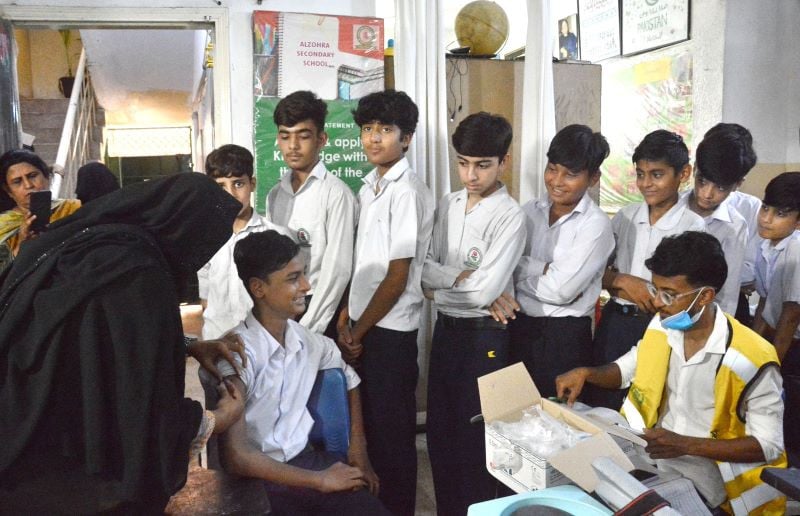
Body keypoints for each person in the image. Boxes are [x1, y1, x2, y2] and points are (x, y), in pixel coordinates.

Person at [0, 173, 247, 512]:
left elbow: (91, 337)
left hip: (22, 449)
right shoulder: (138, 270)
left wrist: (186, 344)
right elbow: (141, 403)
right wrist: (219, 419)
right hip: (79, 488)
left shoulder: (87, 242)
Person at [556, 231, 787, 515]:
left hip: (715, 482)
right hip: (655, 459)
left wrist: (685, 445)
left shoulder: (751, 358)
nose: (657, 302)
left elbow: (768, 445)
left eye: (670, 295)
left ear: (704, 296)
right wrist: (587, 373)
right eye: (656, 290)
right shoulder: (664, 324)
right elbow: (628, 368)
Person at [214, 230, 389, 515]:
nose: (307, 286)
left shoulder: (307, 341)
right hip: (258, 478)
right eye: (293, 278)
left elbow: (348, 376)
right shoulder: (237, 352)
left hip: (305, 463)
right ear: (259, 288)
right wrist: (320, 480)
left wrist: (358, 447)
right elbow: (237, 456)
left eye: (304, 274)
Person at [421, 112, 525, 515]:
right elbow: (422, 270)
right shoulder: (448, 204)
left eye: (482, 165)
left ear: (504, 162)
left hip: (486, 336)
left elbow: (483, 291)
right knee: (440, 435)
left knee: (476, 440)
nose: (470, 175)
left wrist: (443, 288)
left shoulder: (510, 215)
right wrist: (457, 279)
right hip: (446, 332)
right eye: (463, 163)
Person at [337, 89, 434, 515]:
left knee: (393, 445)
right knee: (369, 439)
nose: (374, 139)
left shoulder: (407, 190)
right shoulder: (370, 186)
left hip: (390, 335)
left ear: (407, 138)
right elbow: (364, 265)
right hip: (365, 327)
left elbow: (397, 277)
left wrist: (357, 331)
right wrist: (347, 314)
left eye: (386, 130)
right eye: (368, 129)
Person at [491, 124, 614, 400]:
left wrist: (520, 267)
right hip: (518, 327)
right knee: (513, 418)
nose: (557, 181)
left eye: (570, 174)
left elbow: (561, 291)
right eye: (552, 168)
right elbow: (500, 270)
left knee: (556, 425)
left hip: (563, 339)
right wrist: (542, 269)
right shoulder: (528, 212)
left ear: (593, 178)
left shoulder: (595, 226)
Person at [591, 129, 705, 409]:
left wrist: (649, 292)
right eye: (640, 174)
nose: (646, 183)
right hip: (616, 322)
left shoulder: (693, 227)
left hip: (662, 326)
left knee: (650, 403)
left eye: (657, 174)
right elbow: (594, 273)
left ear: (684, 173)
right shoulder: (625, 217)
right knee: (604, 402)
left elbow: (693, 292)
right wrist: (623, 280)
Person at [266, 90, 357, 336]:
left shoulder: (336, 194)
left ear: (321, 139)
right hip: (283, 310)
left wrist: (309, 329)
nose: (293, 146)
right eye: (285, 137)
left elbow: (337, 271)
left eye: (303, 136)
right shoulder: (275, 195)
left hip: (318, 311)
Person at [198, 144, 293, 340]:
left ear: (253, 184)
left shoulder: (276, 236)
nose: (231, 194)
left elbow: (286, 300)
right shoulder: (204, 237)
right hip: (217, 342)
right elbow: (206, 298)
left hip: (264, 345)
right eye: (221, 186)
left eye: (238, 184)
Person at [751, 171, 800, 466]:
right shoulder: (766, 245)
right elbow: (766, 304)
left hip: (793, 347)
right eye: (765, 208)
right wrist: (751, 349)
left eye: (780, 213)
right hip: (779, 338)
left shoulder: (796, 248)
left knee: (790, 425)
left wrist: (769, 368)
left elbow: (791, 315)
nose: (767, 218)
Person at [682, 126, 751, 315]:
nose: (707, 194)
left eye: (720, 187)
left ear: (737, 184)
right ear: (694, 169)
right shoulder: (671, 208)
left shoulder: (734, 227)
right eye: (702, 181)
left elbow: (728, 293)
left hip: (702, 317)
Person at [0, 149, 81, 270]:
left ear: (46, 177)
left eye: (33, 176)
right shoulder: (3, 225)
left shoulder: (73, 208)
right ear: (9, 191)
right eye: (17, 182)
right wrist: (22, 245)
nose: (28, 185)